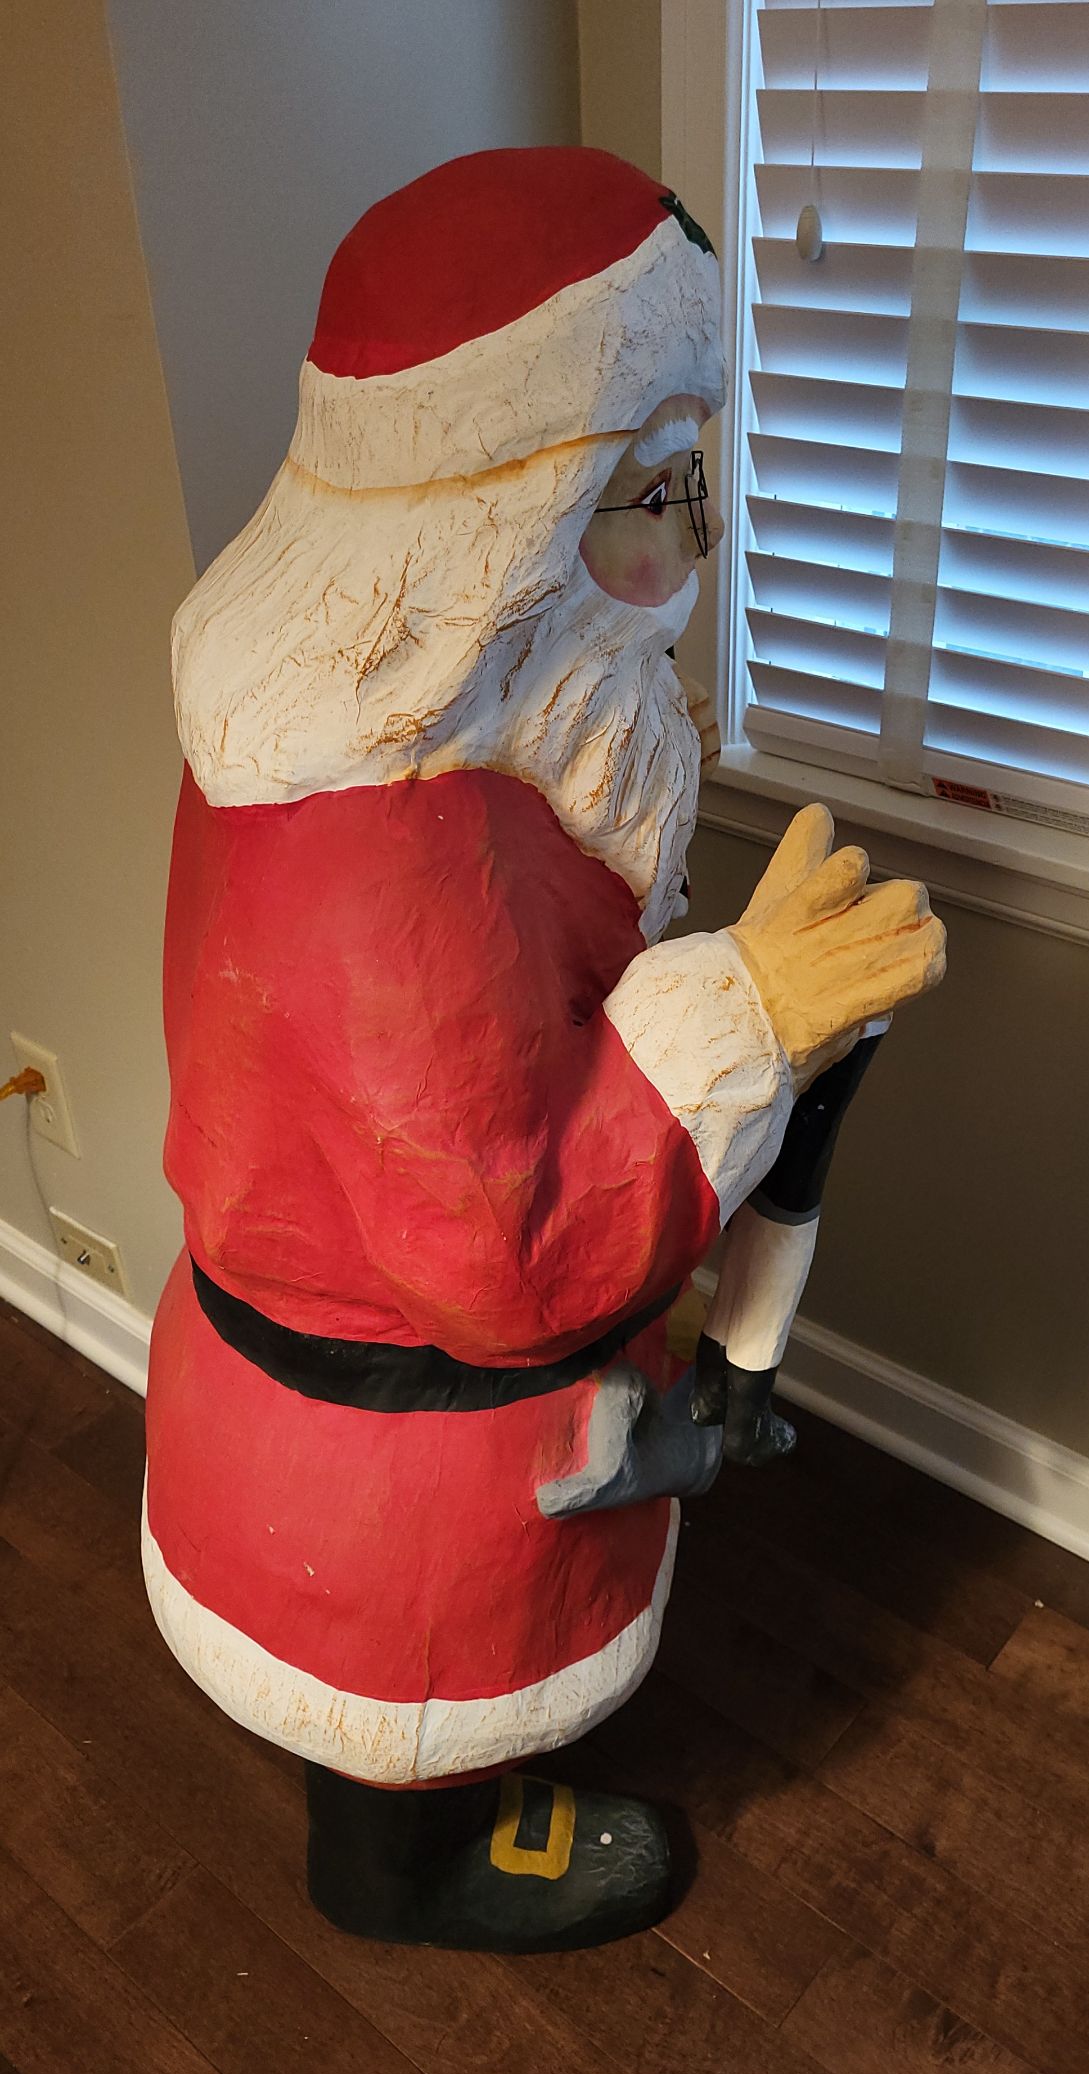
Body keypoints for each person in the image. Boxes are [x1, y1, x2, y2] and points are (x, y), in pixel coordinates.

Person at [144, 147, 945, 1953]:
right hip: (394, 1483)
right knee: (401, 1738)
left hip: (337, 1426)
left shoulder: (412, 730)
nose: (699, 542)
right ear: (495, 526)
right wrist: (753, 1012)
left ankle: (405, 1825)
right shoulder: (380, 857)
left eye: (695, 477)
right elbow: (506, 1252)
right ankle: (403, 1871)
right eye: (654, 490)